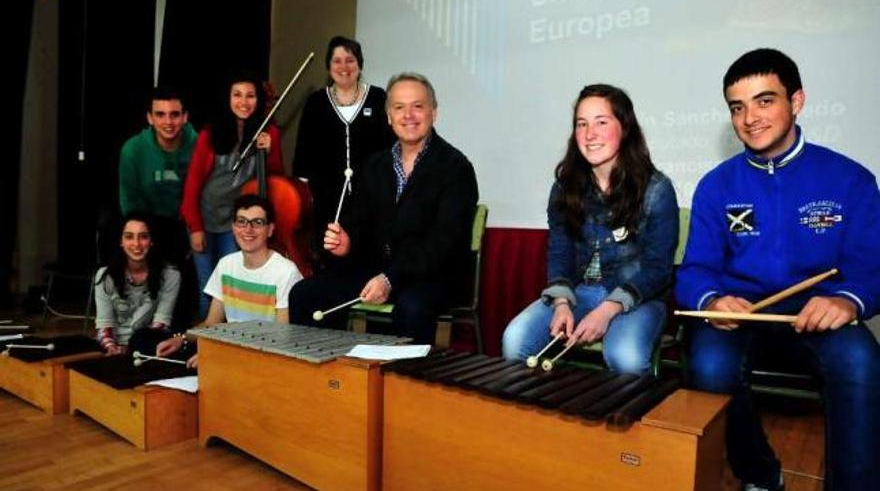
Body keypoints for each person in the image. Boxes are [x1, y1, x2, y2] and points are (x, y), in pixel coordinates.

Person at [676, 48, 880, 491]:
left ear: (797, 101)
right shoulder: (716, 185)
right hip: (743, 317)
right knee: (708, 365)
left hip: (817, 316)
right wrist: (712, 300)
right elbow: (694, 271)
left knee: (862, 361)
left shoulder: (851, 179)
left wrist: (848, 300)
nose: (750, 118)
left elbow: (871, 268)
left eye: (765, 100)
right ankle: (761, 476)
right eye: (737, 107)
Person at [289, 73, 479, 344]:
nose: (408, 115)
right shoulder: (375, 165)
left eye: (418, 106)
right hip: (378, 270)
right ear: (389, 116)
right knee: (305, 295)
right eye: (399, 107)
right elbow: (359, 220)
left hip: (432, 276)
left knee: (411, 308)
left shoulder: (456, 168)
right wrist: (347, 241)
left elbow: (443, 244)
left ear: (433, 113)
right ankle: (330, 378)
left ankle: (401, 385)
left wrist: (390, 279)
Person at [501, 84, 678, 374]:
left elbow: (658, 270)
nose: (589, 134)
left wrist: (608, 309)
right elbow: (559, 252)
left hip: (637, 298)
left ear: (625, 128)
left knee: (627, 358)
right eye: (581, 124)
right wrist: (560, 303)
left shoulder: (657, 189)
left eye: (601, 122)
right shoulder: (564, 187)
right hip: (578, 294)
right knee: (515, 340)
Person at [181, 71, 285, 318]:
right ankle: (204, 349)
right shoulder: (210, 133)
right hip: (204, 219)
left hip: (237, 223)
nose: (244, 101)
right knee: (207, 290)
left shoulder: (268, 132)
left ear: (259, 100)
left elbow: (277, 179)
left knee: (228, 289)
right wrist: (195, 227)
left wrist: (270, 150)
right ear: (227, 98)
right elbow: (192, 185)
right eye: (237, 95)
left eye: (250, 96)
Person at [158, 195, 302, 368]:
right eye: (241, 221)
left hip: (267, 362)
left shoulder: (285, 271)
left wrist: (221, 355)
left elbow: (281, 338)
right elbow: (212, 324)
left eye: (257, 222)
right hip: (232, 353)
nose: (248, 229)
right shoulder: (226, 265)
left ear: (270, 229)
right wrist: (181, 339)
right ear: (233, 228)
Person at [293, 36, 394, 266]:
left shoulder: (379, 99)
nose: (344, 67)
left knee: (370, 265)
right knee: (333, 269)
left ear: (360, 64)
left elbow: (392, 151)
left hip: (372, 204)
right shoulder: (316, 103)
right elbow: (303, 157)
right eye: (337, 61)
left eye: (350, 60)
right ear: (329, 66)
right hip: (327, 205)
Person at [118, 86, 198, 265]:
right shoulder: (133, 149)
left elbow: (206, 195)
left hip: (186, 226)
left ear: (185, 117)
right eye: (160, 114)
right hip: (148, 224)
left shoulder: (199, 146)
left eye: (174, 114)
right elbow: (129, 201)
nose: (168, 122)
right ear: (150, 118)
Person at [94, 213, 181, 355]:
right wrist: (111, 347)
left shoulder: (171, 275)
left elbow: (161, 326)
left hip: (149, 346)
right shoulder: (105, 276)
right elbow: (104, 326)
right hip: (111, 348)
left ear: (152, 241)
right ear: (121, 241)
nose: (136, 244)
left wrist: (130, 350)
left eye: (143, 236)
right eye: (129, 236)